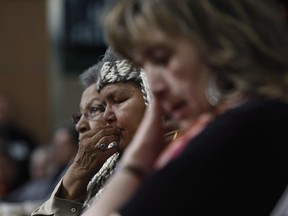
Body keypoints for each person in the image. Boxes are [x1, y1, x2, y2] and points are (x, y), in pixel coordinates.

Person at [82, 0, 288, 215]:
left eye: (162, 59)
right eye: (145, 68)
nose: (154, 86)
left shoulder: (243, 128)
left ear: (218, 43)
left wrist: (135, 165)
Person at [32, 47, 178, 215]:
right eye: (104, 105)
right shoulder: (101, 171)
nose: (107, 116)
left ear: (155, 96)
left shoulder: (181, 161)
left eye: (118, 100)